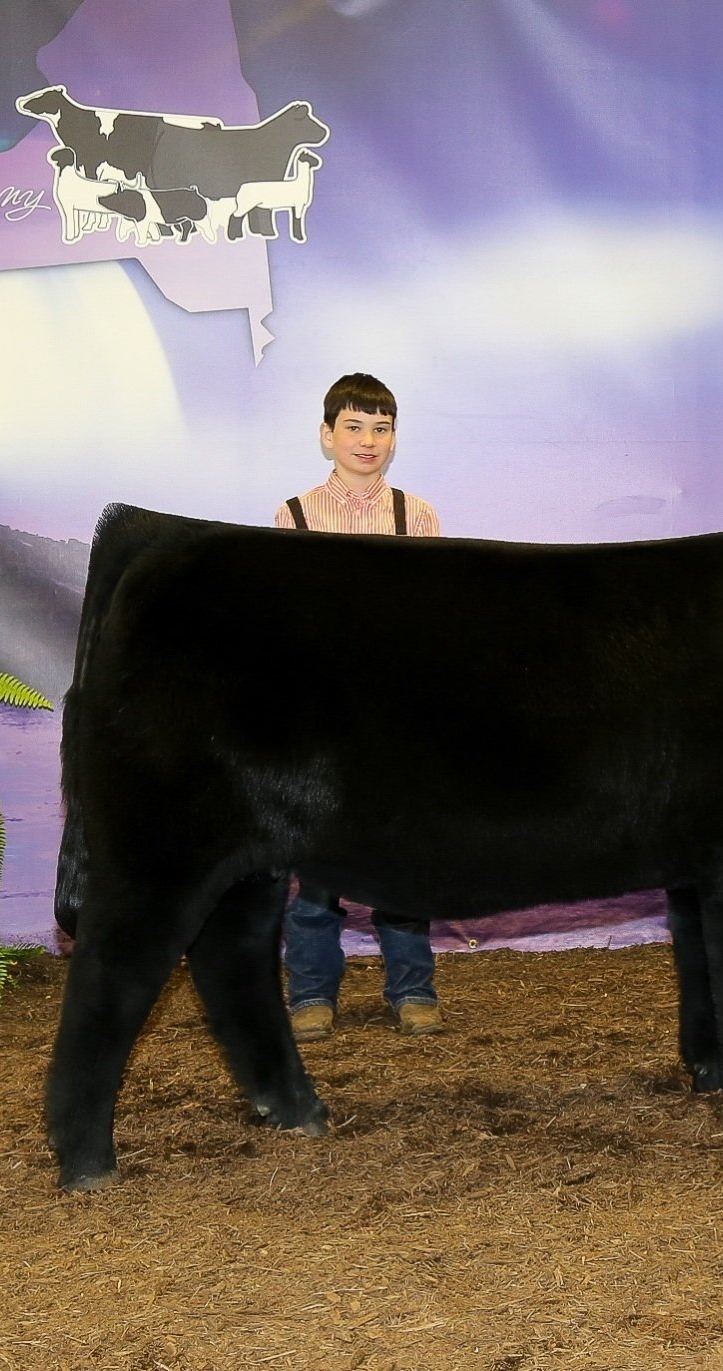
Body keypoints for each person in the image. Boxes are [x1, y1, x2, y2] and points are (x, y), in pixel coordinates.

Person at [272, 372, 444, 1041]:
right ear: (326, 435)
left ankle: (413, 988)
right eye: (354, 426)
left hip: (396, 720)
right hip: (323, 720)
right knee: (316, 864)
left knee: (400, 861)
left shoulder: (419, 516)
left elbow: (433, 624)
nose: (368, 441)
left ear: (394, 439)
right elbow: (289, 623)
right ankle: (313, 991)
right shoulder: (294, 514)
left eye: (381, 428)